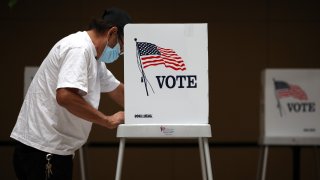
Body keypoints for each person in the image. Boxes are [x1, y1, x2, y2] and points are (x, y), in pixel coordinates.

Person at [10, 7, 132, 180]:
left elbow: (118, 90)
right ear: (112, 33)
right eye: (121, 48)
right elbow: (65, 96)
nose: (119, 54)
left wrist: (151, 112)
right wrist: (107, 120)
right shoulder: (79, 49)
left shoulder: (96, 60)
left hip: (56, 150)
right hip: (42, 150)